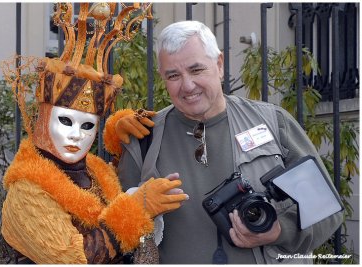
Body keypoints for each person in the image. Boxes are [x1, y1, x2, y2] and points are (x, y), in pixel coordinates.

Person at [103, 20, 343, 264]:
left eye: (196, 70)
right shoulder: (145, 139)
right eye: (173, 75)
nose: (187, 85)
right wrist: (134, 208)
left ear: (219, 65)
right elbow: (113, 236)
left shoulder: (272, 122)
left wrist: (280, 231)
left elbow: (327, 211)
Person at [0, 3, 188, 264]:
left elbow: (110, 197)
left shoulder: (94, 170)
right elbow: (75, 259)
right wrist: (136, 211)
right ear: (44, 120)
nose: (77, 135)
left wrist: (118, 137)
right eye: (66, 121)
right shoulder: (26, 190)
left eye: (88, 126)